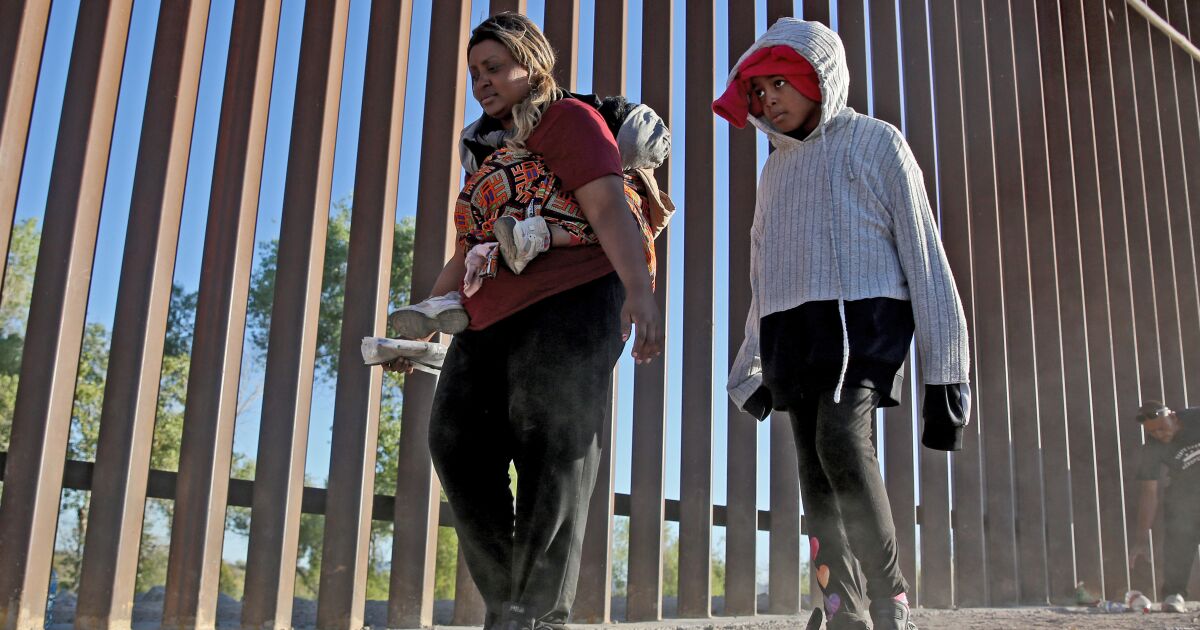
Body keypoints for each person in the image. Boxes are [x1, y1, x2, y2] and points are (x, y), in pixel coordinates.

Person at [384, 12, 662, 630]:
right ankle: (512, 602)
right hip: (489, 310)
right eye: (474, 72)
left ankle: (535, 615)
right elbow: (467, 252)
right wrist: (424, 324)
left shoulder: (568, 121)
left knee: (553, 440)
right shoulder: (487, 149)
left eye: (493, 67)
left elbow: (609, 208)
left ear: (531, 65)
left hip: (575, 294)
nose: (481, 82)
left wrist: (641, 294)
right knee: (454, 441)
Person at [715, 18, 971, 630]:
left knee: (841, 440)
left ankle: (891, 598)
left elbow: (925, 253)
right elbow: (762, 268)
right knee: (813, 467)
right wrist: (749, 357)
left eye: (780, 82)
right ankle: (842, 608)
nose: (767, 99)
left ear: (819, 77)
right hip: (788, 328)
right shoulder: (773, 172)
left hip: (861, 318)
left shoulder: (877, 142)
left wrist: (948, 373)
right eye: (758, 89)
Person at [1129, 401, 1200, 614]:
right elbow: (1149, 493)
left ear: (1174, 417)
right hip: (1184, 496)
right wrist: (1141, 540)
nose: (1159, 435)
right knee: (1179, 534)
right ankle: (1174, 594)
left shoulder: (1196, 419)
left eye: (1161, 428)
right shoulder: (1151, 447)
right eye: (1152, 432)